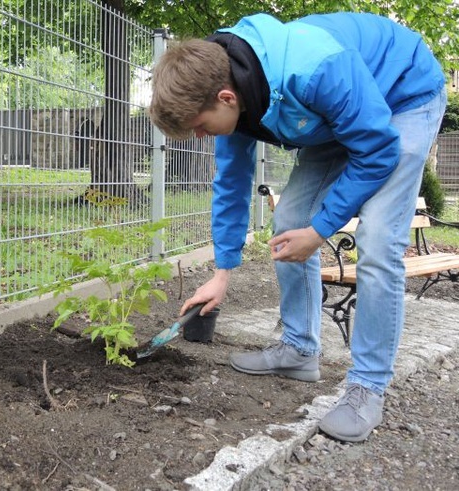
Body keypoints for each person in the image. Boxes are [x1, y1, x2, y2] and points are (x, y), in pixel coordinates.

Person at [149, 12, 447, 443]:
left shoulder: (314, 70)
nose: (199, 136)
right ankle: (299, 348)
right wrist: (222, 274)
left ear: (227, 97)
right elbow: (231, 186)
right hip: (339, 115)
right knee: (288, 222)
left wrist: (321, 229)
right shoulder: (234, 92)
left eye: (199, 126)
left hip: (402, 96)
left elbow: (378, 150)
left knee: (379, 240)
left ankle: (367, 385)